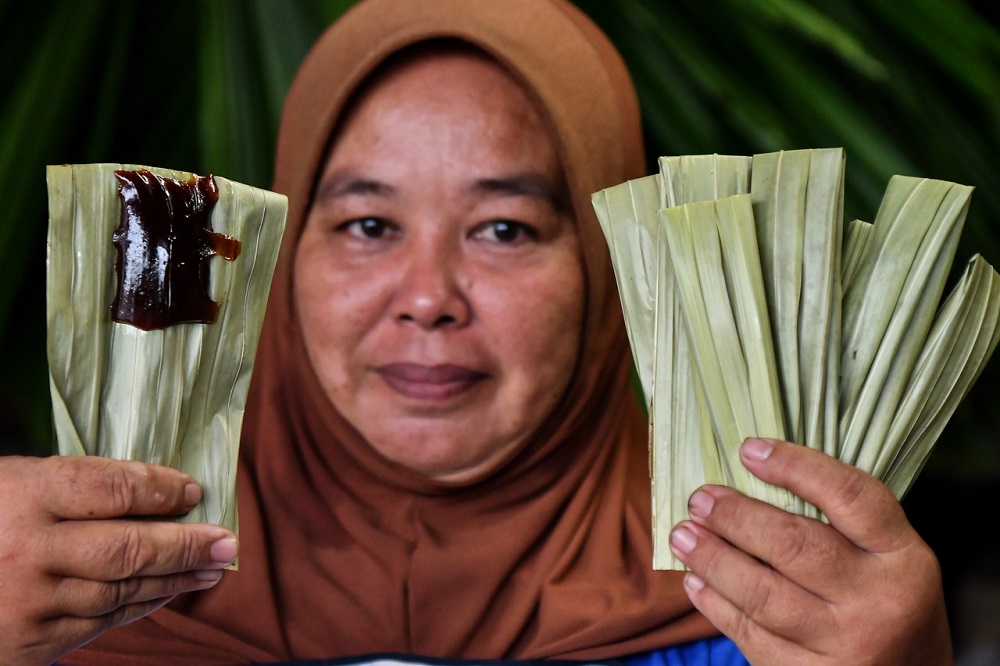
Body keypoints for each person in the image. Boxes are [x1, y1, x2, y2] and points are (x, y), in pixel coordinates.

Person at [0, 1, 951, 664]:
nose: (428, 297)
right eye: (369, 225)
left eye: (505, 229)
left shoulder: (777, 617)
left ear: (612, 273)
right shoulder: (68, 597)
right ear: (284, 259)